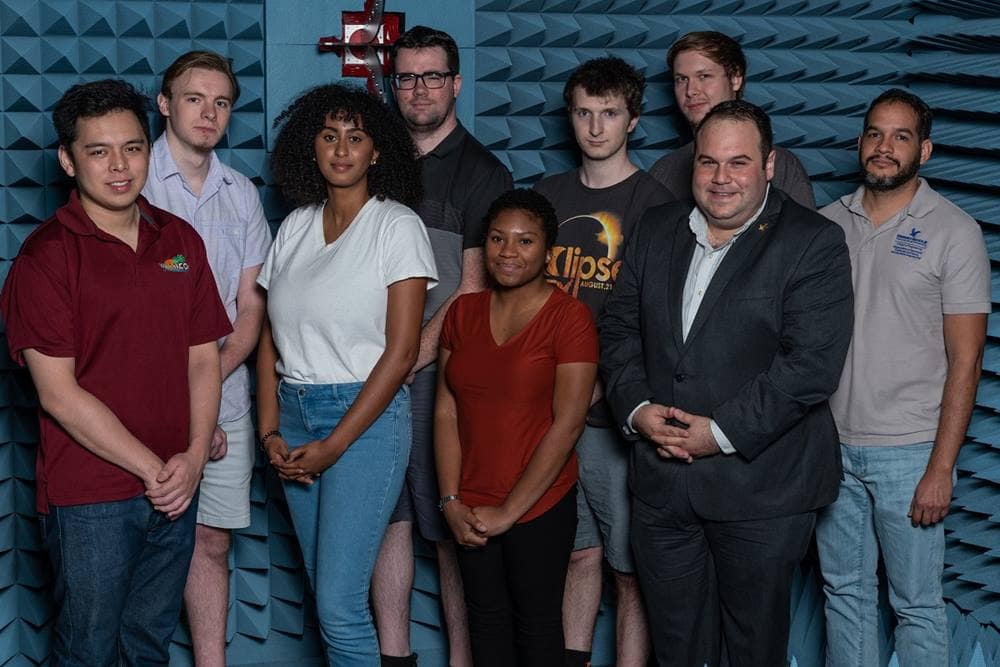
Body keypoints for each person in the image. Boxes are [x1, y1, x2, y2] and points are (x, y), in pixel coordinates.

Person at [600, 100, 854, 666]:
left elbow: (811, 365)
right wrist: (636, 407)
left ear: (769, 166)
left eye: (738, 163)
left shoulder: (813, 241)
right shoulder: (656, 228)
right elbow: (619, 328)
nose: (721, 179)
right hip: (662, 489)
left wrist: (719, 433)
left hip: (763, 489)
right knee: (676, 648)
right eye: (708, 162)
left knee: (751, 649)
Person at [0, 79, 231, 664]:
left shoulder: (179, 239)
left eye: (132, 147)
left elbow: (203, 356)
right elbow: (57, 394)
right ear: (68, 160)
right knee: (88, 651)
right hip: (92, 496)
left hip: (177, 484)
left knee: (147, 646)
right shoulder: (46, 257)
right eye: (98, 151)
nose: (119, 166)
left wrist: (195, 457)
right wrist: (156, 470)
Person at [256, 83, 437, 666]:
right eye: (330, 136)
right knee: (324, 600)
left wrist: (334, 444)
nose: (341, 150)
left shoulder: (396, 226)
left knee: (339, 607)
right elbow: (268, 340)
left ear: (377, 151)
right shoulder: (295, 227)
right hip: (293, 417)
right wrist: (269, 433)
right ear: (312, 146)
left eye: (356, 138)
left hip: (364, 421)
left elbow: (403, 351)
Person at [815, 89, 990, 666]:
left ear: (927, 150)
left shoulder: (952, 231)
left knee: (915, 604)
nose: (883, 148)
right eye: (874, 133)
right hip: (833, 448)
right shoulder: (825, 225)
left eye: (901, 136)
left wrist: (941, 468)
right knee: (844, 595)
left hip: (909, 453)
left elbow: (966, 361)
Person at [373, 24, 512, 667]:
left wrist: (406, 361)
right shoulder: (370, 159)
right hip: (370, 370)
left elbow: (474, 290)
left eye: (433, 76)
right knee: (386, 521)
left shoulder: (485, 172)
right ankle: (395, 656)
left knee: (450, 526)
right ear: (391, 84)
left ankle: (461, 659)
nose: (420, 89)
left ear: (456, 83)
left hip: (435, 376)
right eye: (407, 77)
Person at [533, 56, 670, 667]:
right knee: (576, 555)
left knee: (629, 567)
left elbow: (652, 322)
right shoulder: (546, 196)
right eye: (584, 113)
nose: (595, 128)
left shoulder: (656, 204)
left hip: (608, 417)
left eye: (609, 114)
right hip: (541, 409)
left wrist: (596, 391)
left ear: (632, 120)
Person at [142, 50, 271, 666]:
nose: (208, 112)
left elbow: (250, 308)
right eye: (194, 98)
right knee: (141, 542)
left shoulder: (241, 193)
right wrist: (191, 403)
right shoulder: (128, 183)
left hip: (229, 395)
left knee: (211, 543)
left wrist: (209, 393)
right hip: (141, 401)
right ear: (165, 104)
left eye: (221, 102)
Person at [435, 188, 598, 667]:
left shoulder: (570, 318)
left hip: (538, 503)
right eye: (497, 238)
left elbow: (567, 425)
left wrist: (510, 511)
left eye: (525, 241)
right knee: (484, 622)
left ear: (548, 251)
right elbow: (445, 410)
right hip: (469, 503)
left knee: (538, 625)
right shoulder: (461, 314)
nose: (508, 252)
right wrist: (450, 502)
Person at [650, 31, 816, 209]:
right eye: (682, 79)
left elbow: (804, 233)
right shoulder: (664, 170)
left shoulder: (781, 166)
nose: (691, 90)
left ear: (735, 79)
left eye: (704, 76)